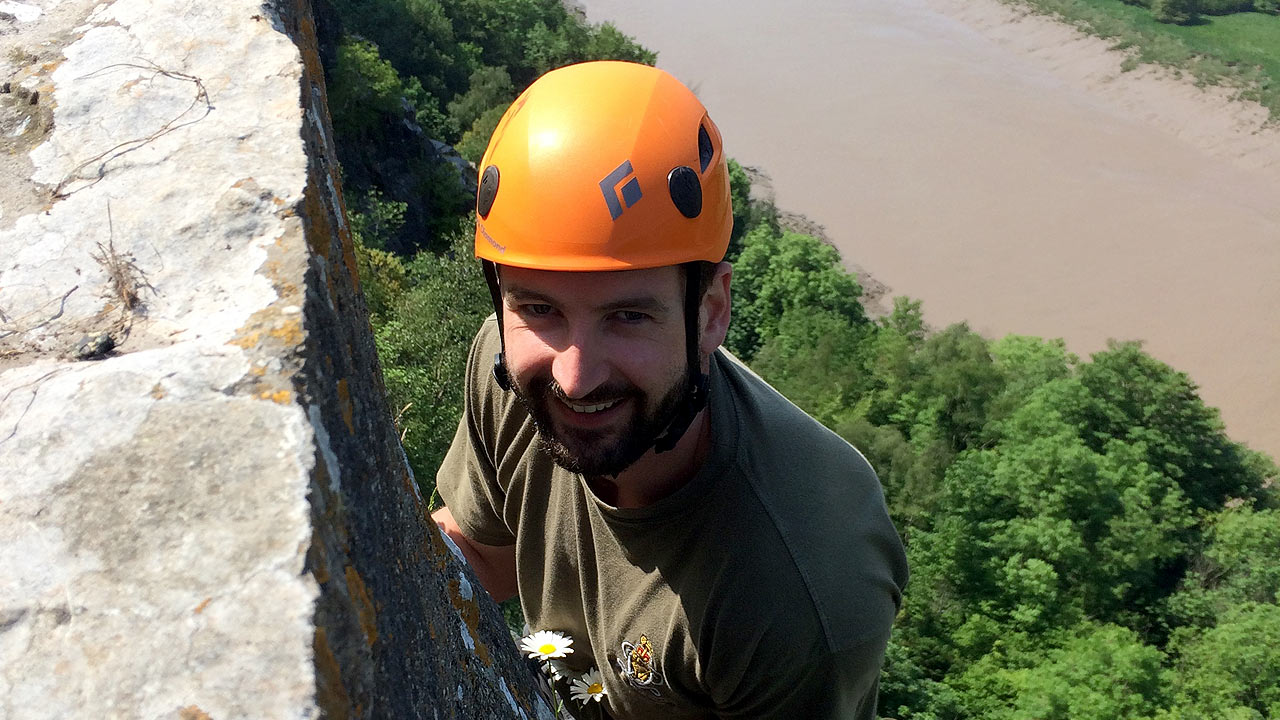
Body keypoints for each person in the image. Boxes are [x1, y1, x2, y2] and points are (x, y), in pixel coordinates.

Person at [432, 60, 908, 719]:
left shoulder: (797, 591)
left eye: (627, 316)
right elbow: (484, 554)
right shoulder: (507, 371)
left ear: (711, 312)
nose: (575, 377)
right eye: (539, 309)